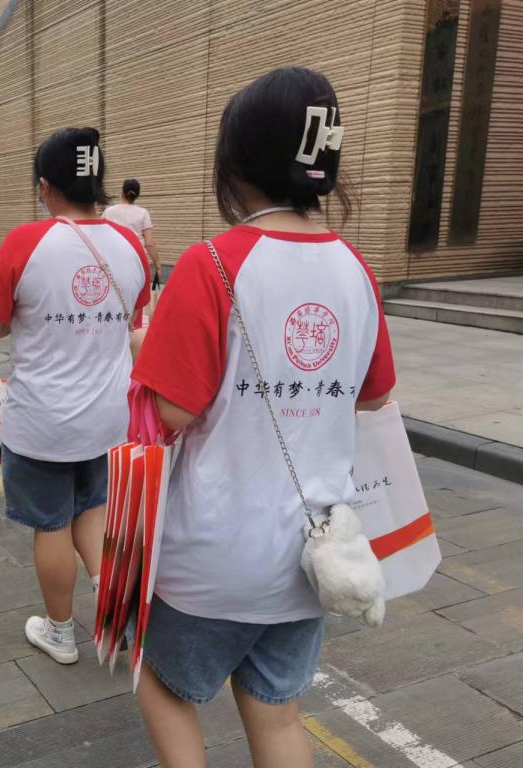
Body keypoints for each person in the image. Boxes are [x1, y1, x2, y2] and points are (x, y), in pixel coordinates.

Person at [130, 67, 396, 768]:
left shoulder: (212, 263)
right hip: (313, 553)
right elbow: (373, 395)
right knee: (277, 715)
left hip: (214, 551)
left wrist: (143, 351)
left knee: (162, 686)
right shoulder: (356, 269)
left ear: (237, 163)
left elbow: (174, 409)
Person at [0, 127, 150, 664]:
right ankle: (116, 617)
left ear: (45, 187)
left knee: (50, 525)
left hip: (42, 420)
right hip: (108, 417)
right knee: (93, 511)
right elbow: (134, 319)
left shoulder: (27, 242)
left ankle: (59, 632)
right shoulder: (131, 245)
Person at [104, 179, 160, 283]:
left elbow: (101, 236)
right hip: (137, 259)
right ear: (137, 195)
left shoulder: (109, 212)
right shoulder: (143, 213)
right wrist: (158, 266)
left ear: (122, 193)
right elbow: (149, 243)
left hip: (115, 259)